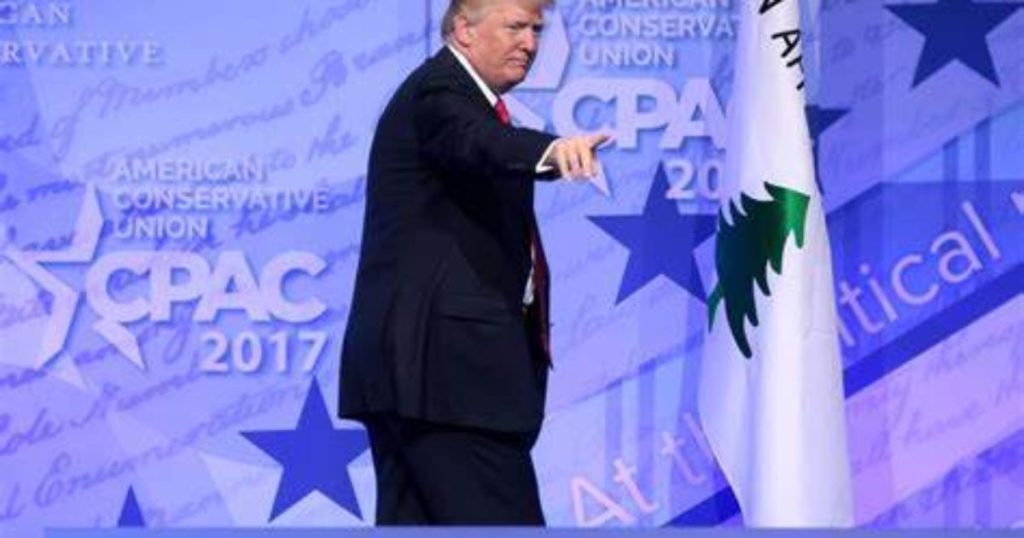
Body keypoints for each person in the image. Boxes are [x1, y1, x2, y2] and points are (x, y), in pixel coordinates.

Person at [338, 0, 608, 526]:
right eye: (515, 27)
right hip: (447, 384)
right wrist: (552, 151)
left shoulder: (458, 98)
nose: (530, 43)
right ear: (464, 29)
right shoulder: (440, 93)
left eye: (536, 29)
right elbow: (480, 141)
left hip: (420, 382)